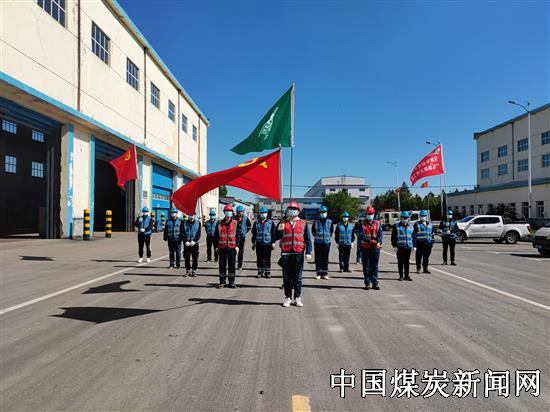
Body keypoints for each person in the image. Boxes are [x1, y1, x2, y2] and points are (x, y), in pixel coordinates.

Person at [275, 201, 313, 308]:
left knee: (298, 277)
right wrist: (279, 229)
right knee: (287, 277)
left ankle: (297, 297)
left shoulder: (303, 223)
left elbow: (308, 239)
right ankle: (288, 297)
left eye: (295, 209)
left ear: (298, 211)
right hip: (286, 254)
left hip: (298, 253)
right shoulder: (283, 222)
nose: (292, 211)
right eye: (290, 209)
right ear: (287, 211)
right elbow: (276, 236)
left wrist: (308, 252)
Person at [214, 204, 242, 288]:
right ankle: (222, 282)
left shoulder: (235, 223)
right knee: (222, 265)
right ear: (224, 212)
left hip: (232, 247)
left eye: (229, 211)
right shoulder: (219, 223)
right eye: (226, 211)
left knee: (232, 265)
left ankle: (231, 282)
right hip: (222, 247)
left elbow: (238, 235)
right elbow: (216, 236)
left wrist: (237, 246)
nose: (228, 213)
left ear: (232, 213)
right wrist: (216, 246)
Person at [357, 206, 383, 290]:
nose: (370, 215)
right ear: (366, 215)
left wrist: (378, 242)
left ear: (374, 214)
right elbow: (360, 235)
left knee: (375, 266)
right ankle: (367, 283)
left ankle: (375, 283)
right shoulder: (361, 224)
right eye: (368, 214)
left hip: (375, 248)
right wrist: (370, 241)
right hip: (365, 248)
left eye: (371, 214)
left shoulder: (378, 223)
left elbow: (380, 234)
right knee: (366, 266)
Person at [251, 207, 276, 278]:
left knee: (267, 258)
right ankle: (260, 272)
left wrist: (273, 242)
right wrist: (253, 243)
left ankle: (267, 272)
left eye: (264, 213)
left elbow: (273, 233)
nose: (263, 214)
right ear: (260, 214)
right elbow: (254, 233)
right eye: (262, 213)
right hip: (259, 243)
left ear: (267, 214)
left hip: (267, 243)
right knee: (259, 258)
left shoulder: (271, 222)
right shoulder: (256, 223)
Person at [311, 205, 333, 279]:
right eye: (322, 212)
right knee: (318, 258)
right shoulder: (316, 222)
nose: (323, 213)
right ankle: (319, 273)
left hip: (327, 243)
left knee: (325, 258)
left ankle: (325, 273)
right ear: (319, 213)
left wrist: (326, 237)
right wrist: (319, 237)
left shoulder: (330, 221)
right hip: (318, 243)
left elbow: (331, 232)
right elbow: (313, 231)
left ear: (326, 213)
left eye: (324, 212)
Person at [391, 211, 414, 281]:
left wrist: (414, 246)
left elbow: (413, 237)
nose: (405, 219)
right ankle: (401, 275)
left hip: (408, 246)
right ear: (401, 218)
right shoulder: (396, 226)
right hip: (400, 247)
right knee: (400, 262)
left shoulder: (411, 226)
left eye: (406, 218)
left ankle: (407, 275)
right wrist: (394, 245)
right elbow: (393, 237)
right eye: (403, 218)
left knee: (407, 262)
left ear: (408, 218)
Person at [235, 205, 252, 270]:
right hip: (234, 238)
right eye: (238, 212)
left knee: (240, 252)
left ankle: (239, 266)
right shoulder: (233, 218)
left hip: (242, 238)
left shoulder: (246, 218)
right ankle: (232, 265)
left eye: (240, 212)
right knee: (233, 252)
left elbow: (249, 226)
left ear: (243, 212)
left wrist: (245, 232)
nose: (239, 213)